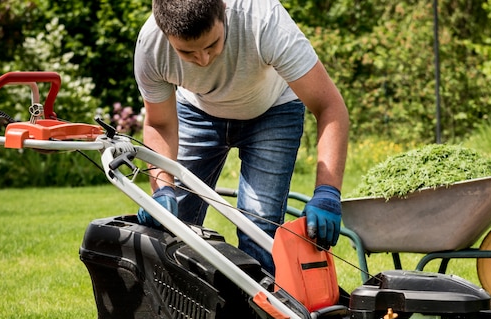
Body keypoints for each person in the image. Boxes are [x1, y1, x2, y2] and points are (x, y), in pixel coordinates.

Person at [135, 0, 349, 273]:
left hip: (273, 110)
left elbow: (329, 106)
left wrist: (327, 192)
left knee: (258, 226)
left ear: (223, 10)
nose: (203, 60)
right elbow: (160, 124)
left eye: (212, 45)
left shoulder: (264, 21)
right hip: (196, 111)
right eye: (187, 52)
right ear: (165, 34)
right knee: (172, 221)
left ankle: (257, 314)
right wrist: (163, 187)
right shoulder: (151, 45)